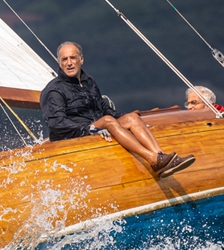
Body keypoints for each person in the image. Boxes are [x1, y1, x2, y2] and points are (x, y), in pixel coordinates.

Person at [40, 41, 195, 178]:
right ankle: (152, 158)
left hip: (97, 127)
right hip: (76, 137)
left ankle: (163, 159)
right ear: (59, 63)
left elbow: (103, 108)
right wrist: (89, 129)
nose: (69, 63)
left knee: (132, 118)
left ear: (81, 59)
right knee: (108, 121)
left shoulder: (89, 82)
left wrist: (127, 119)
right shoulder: (54, 90)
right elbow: (57, 124)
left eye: (73, 58)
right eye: (64, 59)